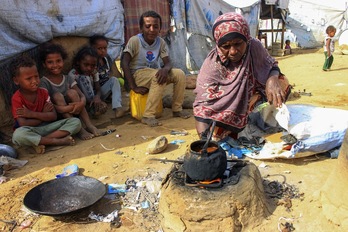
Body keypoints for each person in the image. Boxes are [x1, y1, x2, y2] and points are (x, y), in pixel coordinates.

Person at [193, 12, 291, 141]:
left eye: (238, 44)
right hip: (227, 111)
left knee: (281, 82)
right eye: (226, 46)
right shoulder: (212, 65)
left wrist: (272, 79)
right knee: (217, 135)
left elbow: (270, 64)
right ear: (218, 45)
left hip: (254, 97)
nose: (233, 51)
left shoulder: (254, 46)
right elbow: (202, 106)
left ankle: (260, 118)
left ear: (246, 38)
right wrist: (204, 142)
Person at [121, 10, 190, 127]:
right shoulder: (135, 41)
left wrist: (165, 69)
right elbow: (124, 62)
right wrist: (133, 86)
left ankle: (177, 109)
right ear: (141, 28)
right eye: (148, 26)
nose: (152, 30)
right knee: (158, 76)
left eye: (155, 26)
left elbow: (168, 63)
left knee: (180, 74)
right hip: (138, 74)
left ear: (160, 29)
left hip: (154, 72)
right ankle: (148, 115)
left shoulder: (161, 42)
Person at [10, 55, 81, 154]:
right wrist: (43, 115)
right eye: (29, 79)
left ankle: (39, 142)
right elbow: (23, 124)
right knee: (18, 135)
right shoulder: (16, 98)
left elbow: (53, 116)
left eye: (36, 76)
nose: (34, 81)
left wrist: (31, 114)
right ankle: (56, 141)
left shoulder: (43, 92)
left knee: (75, 122)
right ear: (16, 80)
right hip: (31, 130)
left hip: (48, 127)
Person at [39, 42, 101, 140]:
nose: (55, 65)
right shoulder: (44, 82)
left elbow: (81, 94)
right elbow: (47, 104)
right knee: (57, 96)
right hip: (58, 114)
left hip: (74, 109)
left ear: (63, 61)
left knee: (72, 92)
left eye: (58, 61)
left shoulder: (67, 78)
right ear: (44, 64)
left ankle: (89, 125)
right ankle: (79, 129)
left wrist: (82, 102)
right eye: (50, 62)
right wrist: (64, 109)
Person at [89, 34, 128, 118]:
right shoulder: (92, 62)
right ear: (92, 48)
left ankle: (116, 106)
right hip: (94, 93)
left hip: (103, 90)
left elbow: (108, 74)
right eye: (99, 48)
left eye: (105, 48)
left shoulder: (107, 59)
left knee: (116, 81)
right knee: (114, 80)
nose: (103, 51)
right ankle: (116, 107)